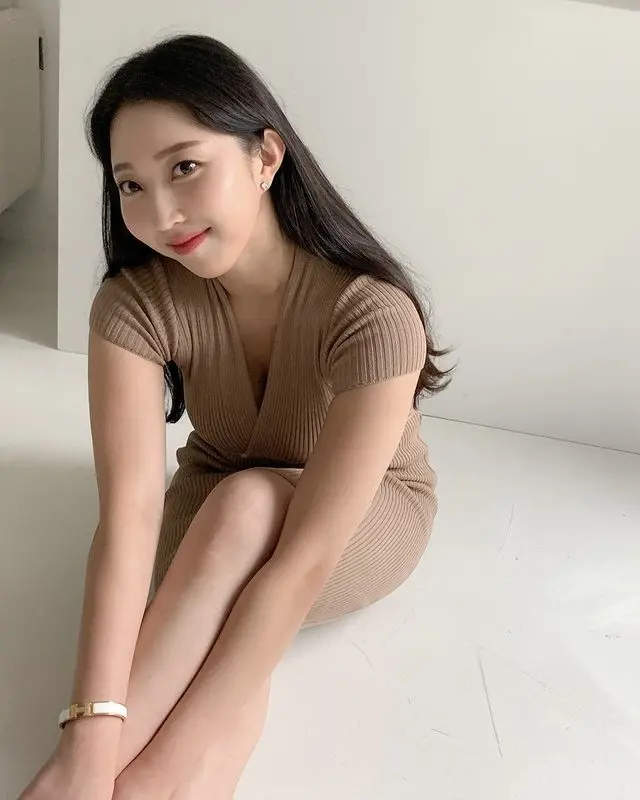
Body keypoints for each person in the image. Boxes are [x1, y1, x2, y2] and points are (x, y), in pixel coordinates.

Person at [20, 34, 450, 800]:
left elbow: (303, 561)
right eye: (131, 185)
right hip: (213, 495)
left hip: (365, 513)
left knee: (247, 517)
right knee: (233, 515)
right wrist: (88, 742)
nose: (161, 212)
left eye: (185, 167)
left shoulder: (373, 315)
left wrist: (167, 758)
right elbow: (128, 519)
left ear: (265, 156)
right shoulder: (134, 305)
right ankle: (80, 777)